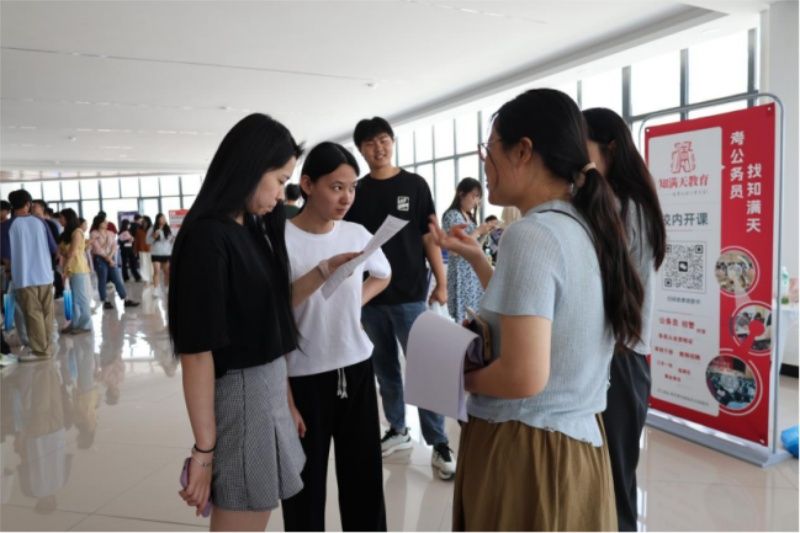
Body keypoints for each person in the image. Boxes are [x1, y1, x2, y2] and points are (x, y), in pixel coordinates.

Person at [430, 88, 643, 531]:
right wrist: (477, 259)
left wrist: (449, 374)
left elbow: (522, 376)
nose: (484, 164)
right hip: (576, 447)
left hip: (527, 452)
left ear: (523, 151)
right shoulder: (587, 225)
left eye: (489, 149)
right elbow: (541, 310)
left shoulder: (531, 234)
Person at [169, 113, 309, 531]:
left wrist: (284, 399)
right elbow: (197, 353)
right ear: (250, 167)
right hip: (244, 403)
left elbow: (268, 327)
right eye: (280, 180)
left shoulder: (249, 228)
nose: (281, 194)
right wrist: (203, 453)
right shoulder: (208, 238)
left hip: (266, 395)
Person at [281, 142, 391, 531]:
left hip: (356, 367)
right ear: (308, 185)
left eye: (352, 188)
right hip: (304, 376)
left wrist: (354, 302)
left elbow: (383, 274)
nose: (346, 198)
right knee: (304, 488)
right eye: (336, 187)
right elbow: (274, 310)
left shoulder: (356, 233)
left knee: (364, 481)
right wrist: (323, 271)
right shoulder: (282, 239)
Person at [344, 116, 455, 480]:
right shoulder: (357, 192)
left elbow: (428, 237)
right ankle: (397, 428)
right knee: (386, 370)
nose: (378, 148)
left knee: (425, 369)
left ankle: (439, 442)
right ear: (360, 150)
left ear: (392, 141)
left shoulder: (415, 185)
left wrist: (441, 282)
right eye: (370, 143)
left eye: (383, 139)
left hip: (410, 295)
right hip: (371, 297)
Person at [585, 107, 667, 532]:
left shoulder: (623, 206)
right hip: (618, 355)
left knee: (614, 480)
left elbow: (610, 287)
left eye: (581, 145)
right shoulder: (623, 202)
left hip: (619, 355)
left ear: (610, 148)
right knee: (607, 475)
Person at [6, 190, 58, 361]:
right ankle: (48, 346)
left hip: (24, 276)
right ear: (28, 204)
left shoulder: (7, 226)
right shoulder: (41, 222)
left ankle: (40, 351)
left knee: (32, 313)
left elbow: (5, 255)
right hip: (45, 274)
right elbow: (53, 248)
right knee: (46, 312)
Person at [441, 177, 495, 323]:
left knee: (474, 318)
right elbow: (455, 249)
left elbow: (474, 246)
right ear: (461, 193)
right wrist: (478, 231)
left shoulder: (469, 217)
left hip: (472, 273)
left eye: (478, 197)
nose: (476, 201)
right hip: (461, 274)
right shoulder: (452, 215)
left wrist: (484, 233)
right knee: (462, 318)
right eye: (474, 196)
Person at [89, 213, 139, 310]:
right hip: (100, 259)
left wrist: (110, 257)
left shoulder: (110, 233)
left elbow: (114, 246)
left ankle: (125, 299)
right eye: (104, 221)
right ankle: (105, 301)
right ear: (99, 223)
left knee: (117, 279)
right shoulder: (94, 234)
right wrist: (108, 258)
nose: (106, 222)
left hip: (110, 258)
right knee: (102, 280)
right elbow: (97, 249)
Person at [57, 208, 93, 335]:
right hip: (70, 269)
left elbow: (71, 253)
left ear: (68, 218)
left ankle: (85, 325)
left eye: (61, 217)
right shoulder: (66, 233)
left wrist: (65, 271)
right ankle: (75, 323)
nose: (59, 220)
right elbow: (62, 251)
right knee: (73, 299)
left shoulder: (77, 232)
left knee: (81, 298)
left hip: (78, 269)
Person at [32, 200, 64, 299]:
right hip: (34, 259)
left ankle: (57, 292)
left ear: (43, 210)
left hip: (49, 258)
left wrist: (58, 255)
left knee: (49, 280)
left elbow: (57, 242)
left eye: (35, 206)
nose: (32, 207)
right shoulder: (28, 224)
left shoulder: (50, 224)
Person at [146, 213, 173, 294]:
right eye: (162, 218)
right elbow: (147, 241)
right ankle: (156, 289)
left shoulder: (168, 228)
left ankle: (167, 288)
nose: (164, 219)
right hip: (156, 253)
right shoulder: (152, 228)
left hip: (166, 253)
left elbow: (170, 241)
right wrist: (154, 236)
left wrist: (172, 240)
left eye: (164, 218)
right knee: (156, 271)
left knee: (167, 272)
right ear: (157, 219)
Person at [135, 216, 153, 284]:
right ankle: (145, 279)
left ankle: (151, 278)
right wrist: (135, 250)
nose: (143, 223)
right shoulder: (138, 230)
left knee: (151, 265)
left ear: (148, 221)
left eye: (145, 221)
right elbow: (136, 241)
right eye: (142, 221)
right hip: (142, 250)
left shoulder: (152, 229)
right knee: (143, 265)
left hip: (151, 250)